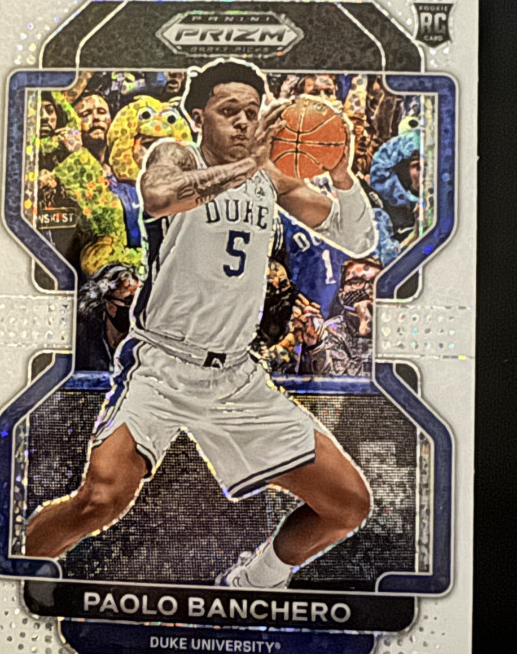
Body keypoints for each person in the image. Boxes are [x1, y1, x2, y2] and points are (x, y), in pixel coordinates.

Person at [25, 58, 376, 590]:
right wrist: (247, 164)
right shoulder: (175, 155)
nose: (243, 121)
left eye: (252, 111)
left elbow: (359, 238)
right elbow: (160, 195)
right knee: (100, 499)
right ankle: (7, 567)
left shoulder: (269, 178)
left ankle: (255, 582)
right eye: (228, 110)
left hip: (234, 376)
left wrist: (343, 174)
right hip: (162, 364)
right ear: (197, 117)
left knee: (348, 504)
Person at [293, 257, 383, 377]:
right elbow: (337, 380)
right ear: (341, 294)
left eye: (375, 282)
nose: (367, 288)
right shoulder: (332, 328)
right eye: (356, 282)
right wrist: (364, 331)